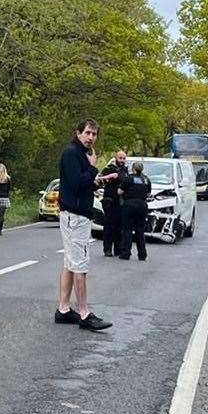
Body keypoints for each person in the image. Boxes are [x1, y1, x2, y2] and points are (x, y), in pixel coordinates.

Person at [55, 119, 115, 331]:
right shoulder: (72, 153)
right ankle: (84, 313)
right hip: (75, 215)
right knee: (80, 265)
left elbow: (84, 183)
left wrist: (99, 179)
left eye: (94, 134)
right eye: (87, 133)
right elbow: (76, 183)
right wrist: (91, 168)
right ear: (78, 133)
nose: (91, 137)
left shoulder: (80, 154)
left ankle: (63, 309)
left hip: (77, 214)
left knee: (70, 263)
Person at [117, 161, 152, 261]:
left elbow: (120, 191)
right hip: (142, 205)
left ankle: (125, 253)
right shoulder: (146, 179)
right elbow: (149, 194)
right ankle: (142, 254)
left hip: (129, 205)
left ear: (133, 169)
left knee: (127, 230)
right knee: (140, 231)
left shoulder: (128, 178)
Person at [99, 151, 129, 257]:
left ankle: (118, 249)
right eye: (120, 158)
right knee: (109, 226)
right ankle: (107, 249)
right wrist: (110, 177)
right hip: (110, 201)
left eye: (124, 158)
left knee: (119, 226)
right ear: (116, 158)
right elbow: (99, 180)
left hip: (121, 202)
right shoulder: (109, 169)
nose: (122, 160)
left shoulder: (125, 170)